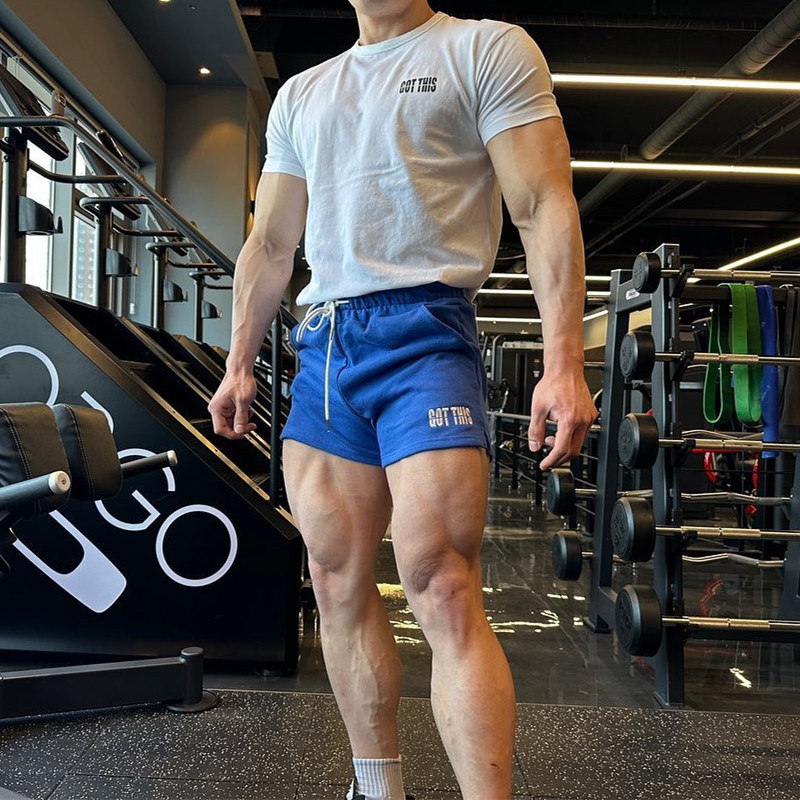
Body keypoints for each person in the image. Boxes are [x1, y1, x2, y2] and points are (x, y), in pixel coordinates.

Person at [208, 1, 597, 798]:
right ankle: (378, 789)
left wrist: (563, 361)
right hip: (326, 346)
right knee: (334, 578)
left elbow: (541, 205)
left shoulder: (484, 50)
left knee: (442, 581)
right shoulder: (303, 94)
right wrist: (238, 361)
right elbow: (272, 243)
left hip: (427, 332)